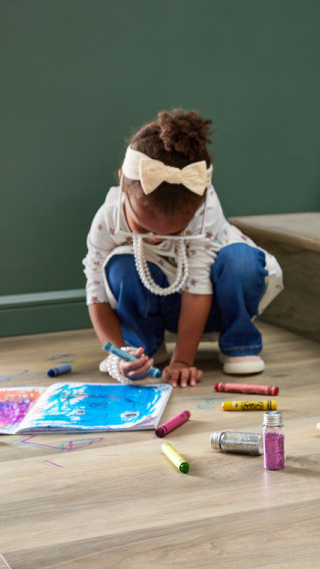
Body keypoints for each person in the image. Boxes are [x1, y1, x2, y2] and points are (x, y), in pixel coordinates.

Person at [83, 109, 282, 388]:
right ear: (122, 185)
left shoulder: (206, 212)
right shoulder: (109, 218)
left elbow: (198, 285)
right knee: (118, 266)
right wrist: (117, 354)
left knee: (241, 261)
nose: (155, 238)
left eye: (174, 232)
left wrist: (184, 361)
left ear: (199, 204)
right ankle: (142, 348)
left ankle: (239, 343)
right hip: (161, 300)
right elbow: (96, 290)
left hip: (212, 302)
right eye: (143, 228)